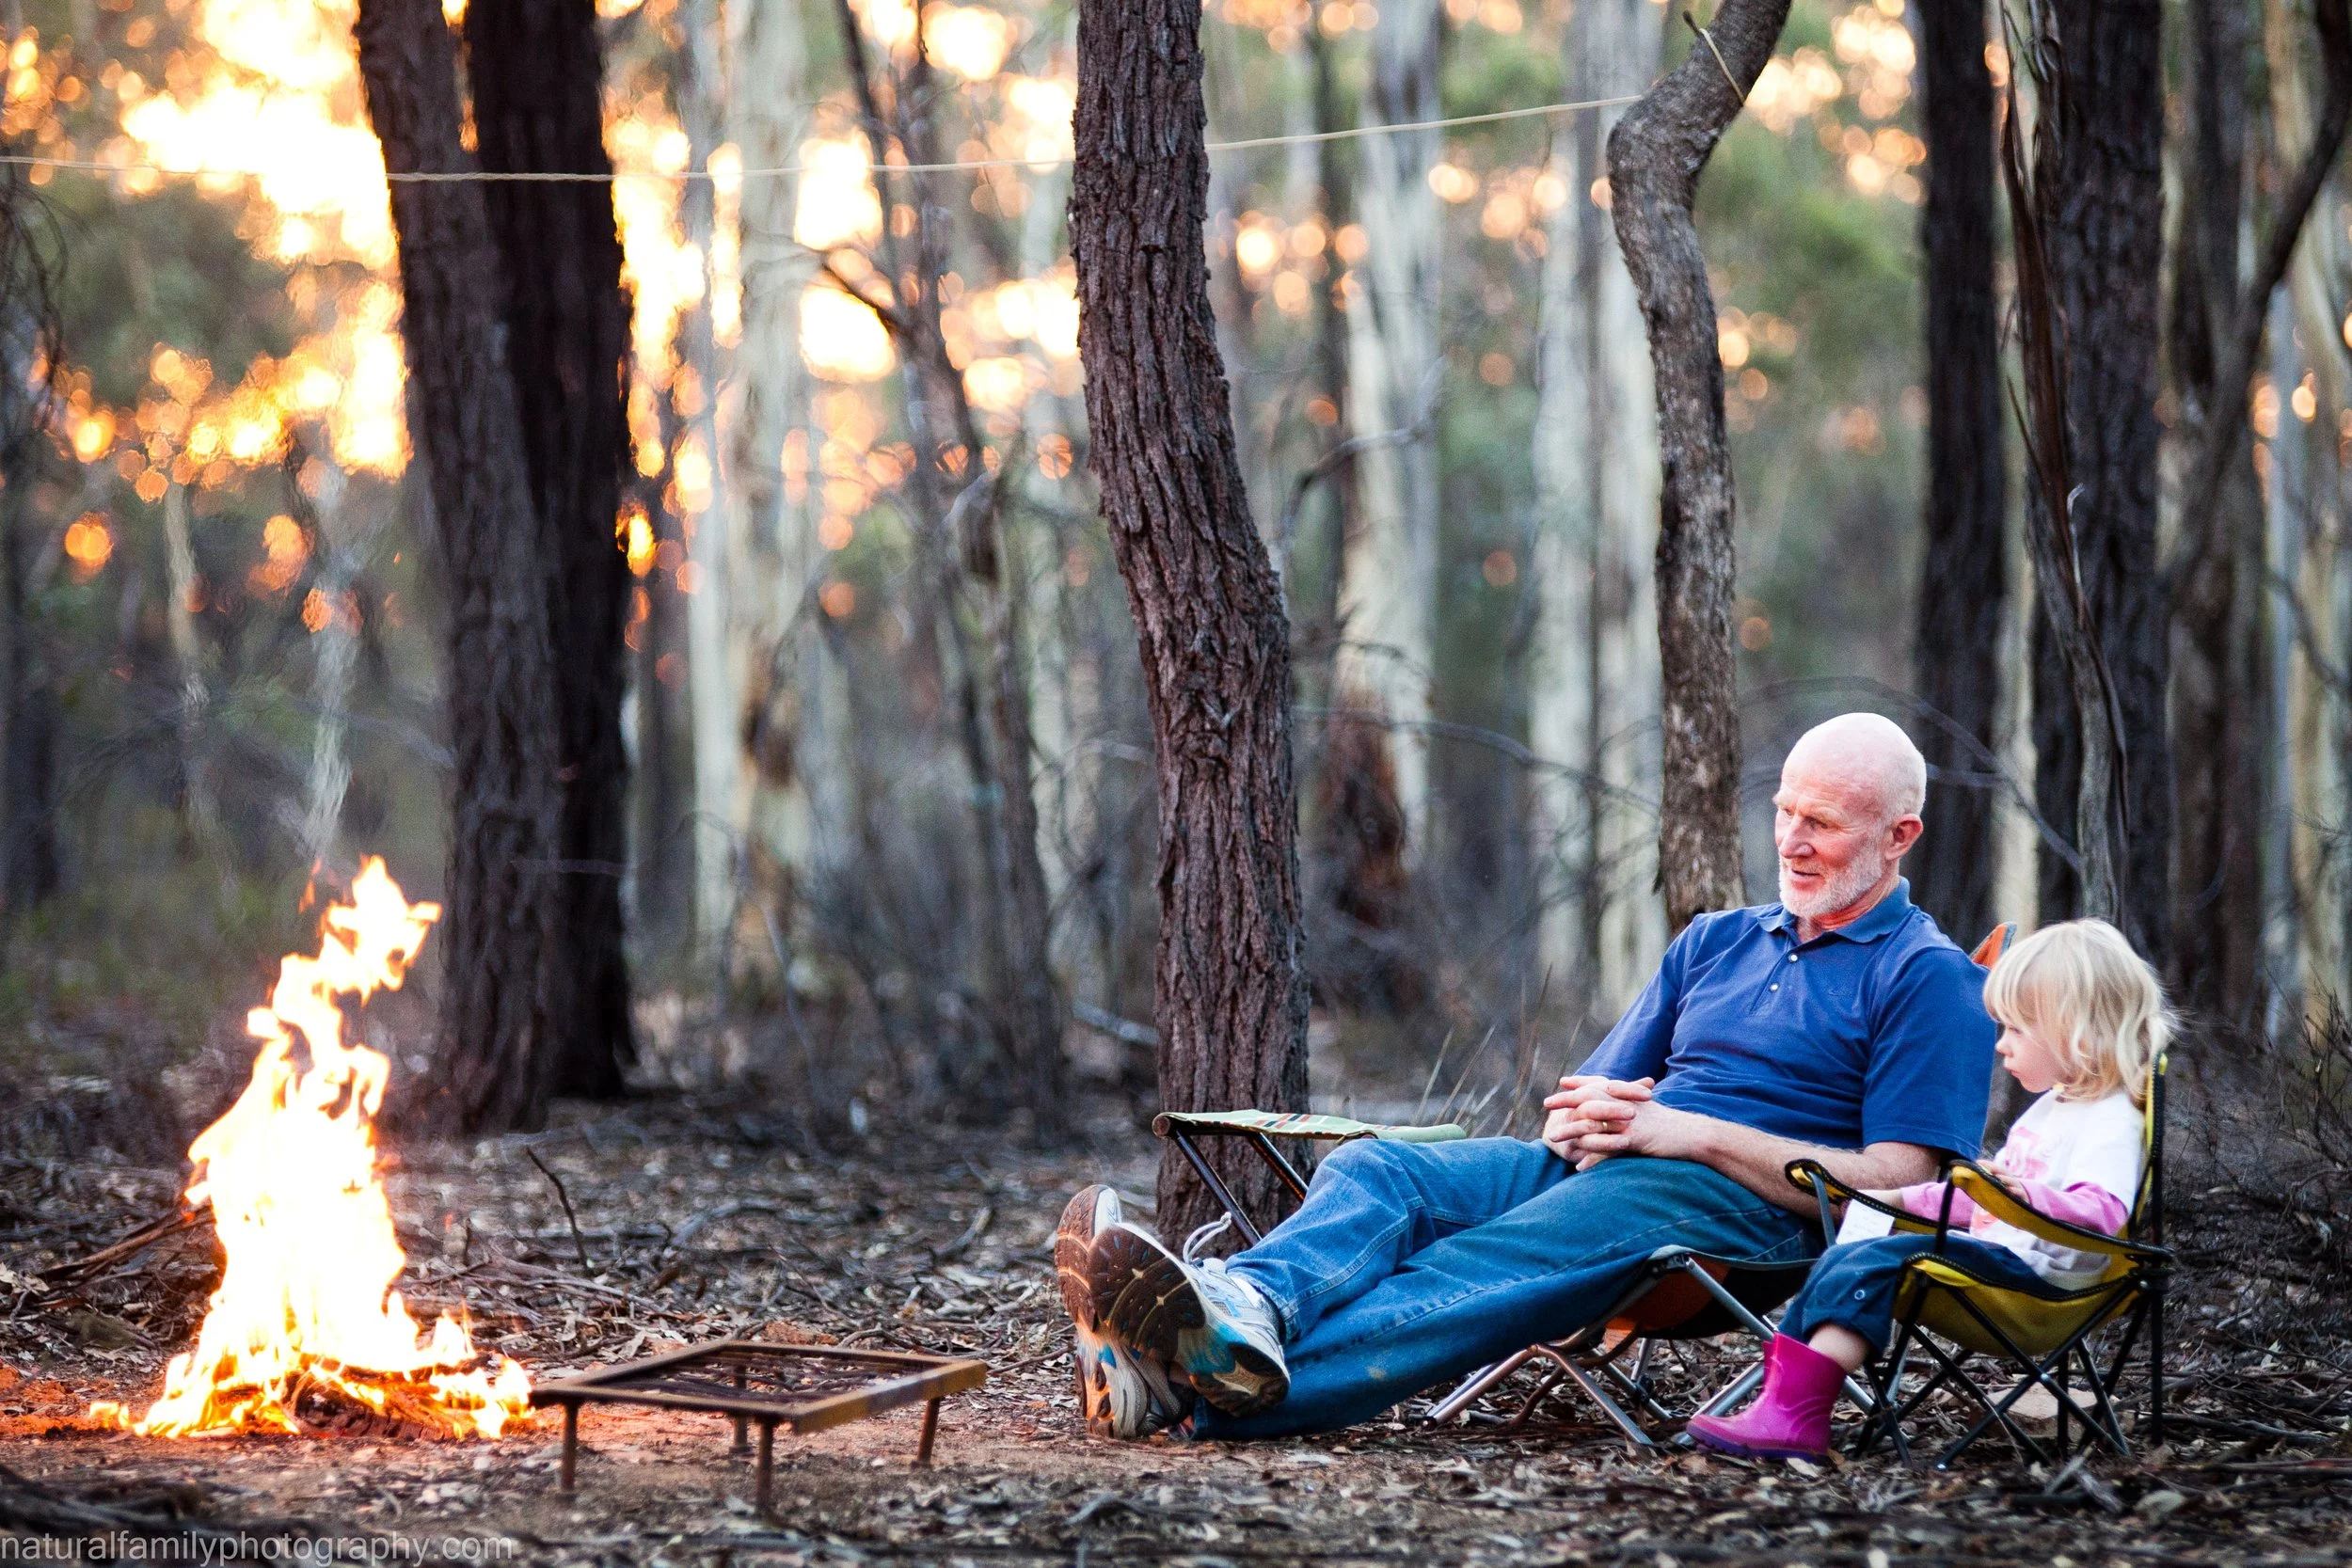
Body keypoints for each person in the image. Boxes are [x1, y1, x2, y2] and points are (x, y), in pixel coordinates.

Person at [1054, 712, 2001, 1440]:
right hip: (1614, 1166)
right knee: (1384, 1169)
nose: (1791, 838)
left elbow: (1907, 1183)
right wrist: (1593, 1117)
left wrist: (1688, 1131)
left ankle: (1204, 1392)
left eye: (1824, 823)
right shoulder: (1718, 939)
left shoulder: (1926, 976)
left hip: (1739, 1218)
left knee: (1478, 1261)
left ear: (1897, 835)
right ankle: (1249, 1304)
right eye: (1785, 810)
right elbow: (1587, 1098)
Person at [1685, 918, 2170, 1461]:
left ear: (2072, 1030)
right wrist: (1893, 1202)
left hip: (2041, 1283)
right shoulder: (2058, 1107)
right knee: (1843, 1257)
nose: (2001, 1047)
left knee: (1874, 1265)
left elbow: (2102, 1213)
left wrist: (2022, 1199)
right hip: (2005, 1259)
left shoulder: (2110, 1120)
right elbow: (1979, 1200)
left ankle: (1797, 1416)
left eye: (2015, 1030)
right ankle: (1782, 1405)